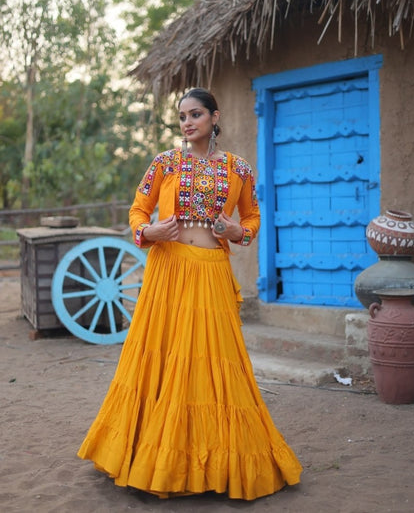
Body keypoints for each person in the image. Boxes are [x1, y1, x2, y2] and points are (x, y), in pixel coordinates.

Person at [77, 87, 302, 500]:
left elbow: (252, 215)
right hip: (169, 270)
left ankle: (215, 463)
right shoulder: (164, 163)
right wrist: (149, 232)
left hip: (212, 272)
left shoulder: (240, 169)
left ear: (215, 118)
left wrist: (239, 232)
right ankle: (152, 459)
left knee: (217, 362)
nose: (186, 122)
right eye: (181, 116)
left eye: (195, 114)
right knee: (163, 358)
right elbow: (137, 211)